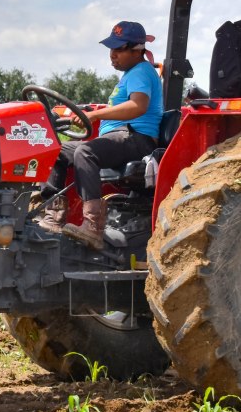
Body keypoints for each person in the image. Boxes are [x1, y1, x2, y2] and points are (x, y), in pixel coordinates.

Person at [38, 20, 163, 250]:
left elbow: (138, 106)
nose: (112, 55)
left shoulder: (141, 71)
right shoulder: (130, 74)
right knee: (56, 149)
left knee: (86, 152)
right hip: (120, 135)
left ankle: (93, 227)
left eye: (118, 49)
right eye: (111, 49)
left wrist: (97, 116)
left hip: (136, 137)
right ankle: (52, 215)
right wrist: (91, 113)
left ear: (137, 50)